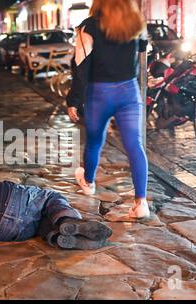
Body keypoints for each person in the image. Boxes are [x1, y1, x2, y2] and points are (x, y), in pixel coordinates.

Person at [66, 0, 150, 219]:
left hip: (99, 92)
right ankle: (141, 203)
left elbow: (81, 66)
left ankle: (88, 182)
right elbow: (143, 49)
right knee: (134, 145)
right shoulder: (136, 24)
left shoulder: (89, 26)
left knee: (94, 141)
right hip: (129, 90)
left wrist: (73, 100)